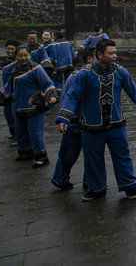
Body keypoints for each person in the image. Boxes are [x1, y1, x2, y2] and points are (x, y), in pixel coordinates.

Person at [57, 39, 136, 201]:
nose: (115, 56)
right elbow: (72, 96)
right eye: (111, 53)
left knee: (123, 156)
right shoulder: (84, 75)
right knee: (93, 159)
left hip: (116, 124)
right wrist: (64, 117)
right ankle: (97, 189)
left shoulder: (120, 72)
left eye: (115, 52)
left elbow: (134, 90)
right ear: (99, 54)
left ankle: (130, 186)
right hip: (91, 127)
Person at [0, 45, 57, 167]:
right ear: (16, 56)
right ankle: (25, 152)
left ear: (29, 55)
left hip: (34, 106)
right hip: (17, 105)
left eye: (25, 55)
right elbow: (7, 87)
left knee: (35, 133)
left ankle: (41, 156)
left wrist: (51, 96)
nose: (23, 58)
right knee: (20, 131)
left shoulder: (37, 69)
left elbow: (47, 84)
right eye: (20, 55)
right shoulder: (11, 69)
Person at [51, 49, 94, 191]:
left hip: (76, 120)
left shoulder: (75, 76)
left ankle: (61, 178)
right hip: (77, 121)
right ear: (89, 59)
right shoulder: (80, 76)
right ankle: (87, 182)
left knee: (71, 153)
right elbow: (69, 99)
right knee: (81, 153)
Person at [0, 39, 20, 141]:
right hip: (7, 93)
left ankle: (18, 137)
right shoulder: (5, 61)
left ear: (16, 50)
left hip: (15, 94)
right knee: (7, 115)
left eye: (12, 49)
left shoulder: (19, 62)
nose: (9, 51)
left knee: (14, 116)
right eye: (8, 49)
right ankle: (13, 134)